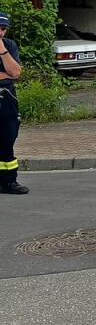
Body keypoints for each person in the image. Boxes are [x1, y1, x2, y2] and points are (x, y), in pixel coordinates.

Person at [0, 11, 27, 195]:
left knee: (7, 139)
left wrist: (2, 50)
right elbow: (8, 74)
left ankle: (9, 182)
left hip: (7, 97)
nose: (1, 32)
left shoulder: (9, 45)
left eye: (3, 29)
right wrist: (6, 75)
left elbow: (16, 73)